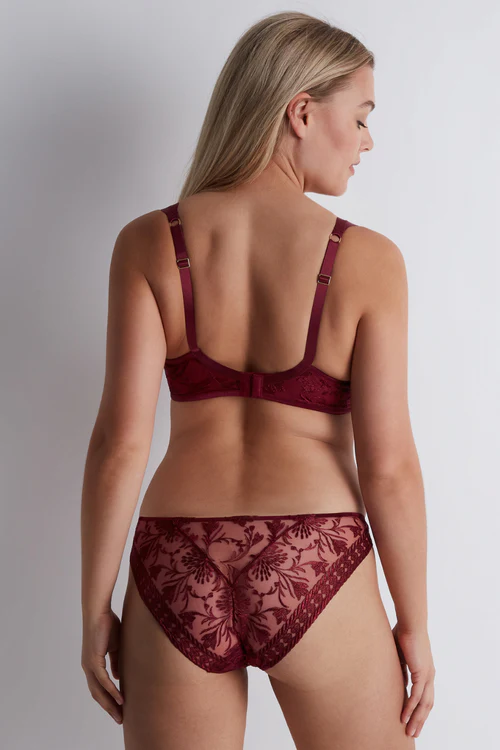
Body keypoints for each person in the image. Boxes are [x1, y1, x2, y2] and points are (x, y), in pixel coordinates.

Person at [80, 10, 435, 749]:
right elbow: (391, 468)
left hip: (175, 564)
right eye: (361, 116)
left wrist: (93, 609)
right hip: (317, 556)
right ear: (301, 113)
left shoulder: (148, 243)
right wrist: (415, 623)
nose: (367, 141)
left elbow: (120, 445)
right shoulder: (368, 261)